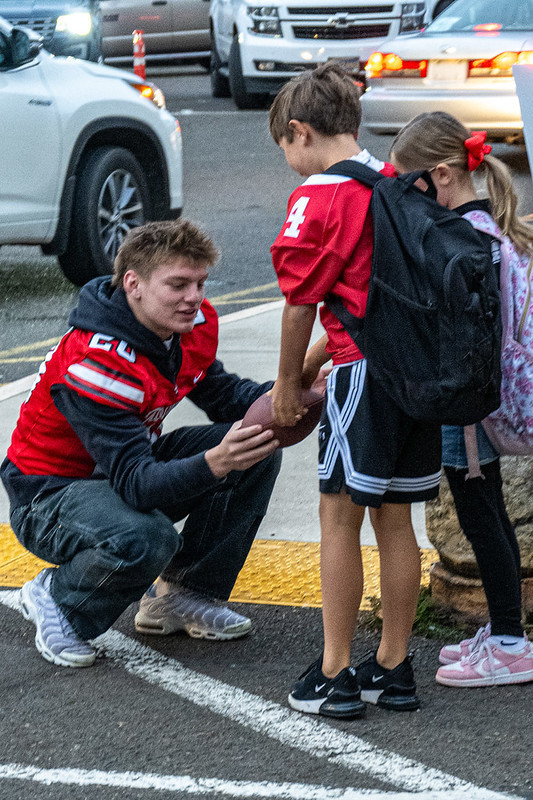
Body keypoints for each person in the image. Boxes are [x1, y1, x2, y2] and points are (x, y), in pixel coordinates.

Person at [1, 219, 282, 668]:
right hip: (48, 493)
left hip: (121, 468)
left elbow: (222, 396)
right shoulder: (98, 361)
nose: (194, 297)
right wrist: (214, 462)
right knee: (148, 538)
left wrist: (290, 392)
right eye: (178, 284)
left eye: (200, 283)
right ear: (133, 283)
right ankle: (58, 596)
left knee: (256, 443)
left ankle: (182, 593)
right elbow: (137, 486)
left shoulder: (187, 324)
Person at [268, 63, 443, 718]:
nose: (289, 162)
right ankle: (393, 667)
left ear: (299, 131)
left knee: (337, 517)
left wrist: (290, 383)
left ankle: (335, 671)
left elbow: (300, 303)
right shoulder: (397, 186)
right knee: (395, 518)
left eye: (285, 149)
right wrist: (317, 362)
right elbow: (365, 292)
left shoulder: (321, 195)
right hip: (415, 374)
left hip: (361, 377)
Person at [390, 111, 533, 688]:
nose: (404, 196)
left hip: (472, 404)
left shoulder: (466, 241)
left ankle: (509, 645)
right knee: (487, 512)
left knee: (481, 515)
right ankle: (505, 630)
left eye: (409, 182)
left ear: (441, 175)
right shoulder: (491, 232)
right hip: (486, 397)